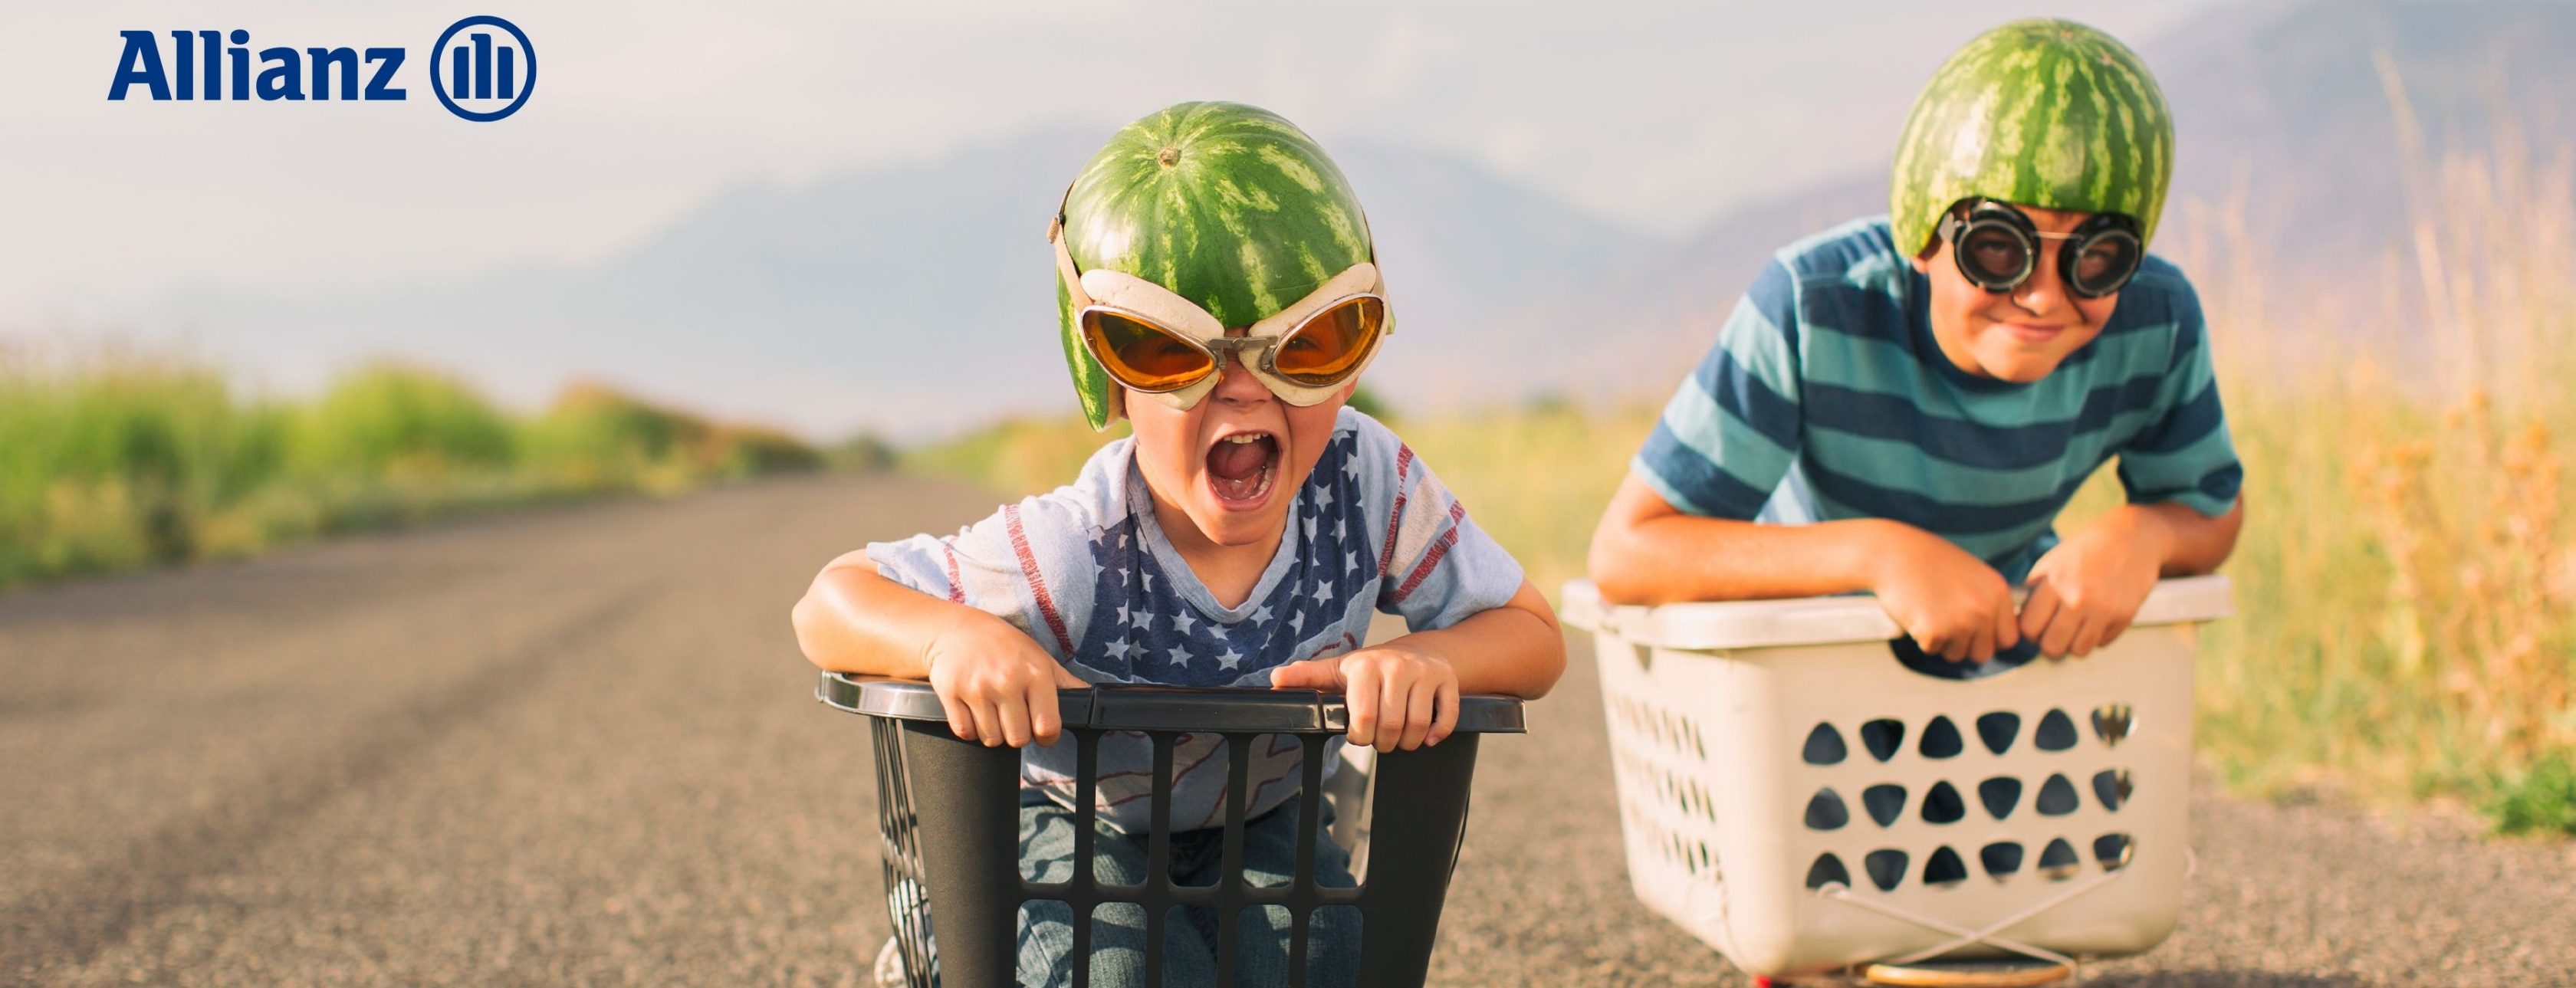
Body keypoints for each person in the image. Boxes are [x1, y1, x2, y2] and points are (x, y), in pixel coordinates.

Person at [792, 100, 1565, 986]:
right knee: (1128, 973)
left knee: (1334, 967)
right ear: (1110, 380)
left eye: (1301, 345)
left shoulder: (1368, 483)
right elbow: (828, 600)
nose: (1241, 392)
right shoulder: (1075, 546)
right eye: (1174, 355)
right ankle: (937, 935)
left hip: (1261, 815)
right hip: (1071, 821)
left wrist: (1433, 658)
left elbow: (1534, 634)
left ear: (1353, 358)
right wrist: (952, 638)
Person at [1589, 19, 2245, 673]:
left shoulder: (2154, 318)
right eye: (1997, 247)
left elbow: (2210, 511)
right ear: (1920, 233)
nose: (2044, 296)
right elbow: (1627, 552)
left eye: (2097, 256)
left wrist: (2145, 536)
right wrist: (1878, 555)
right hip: (1804, 671)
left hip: (2010, 681)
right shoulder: (1815, 307)